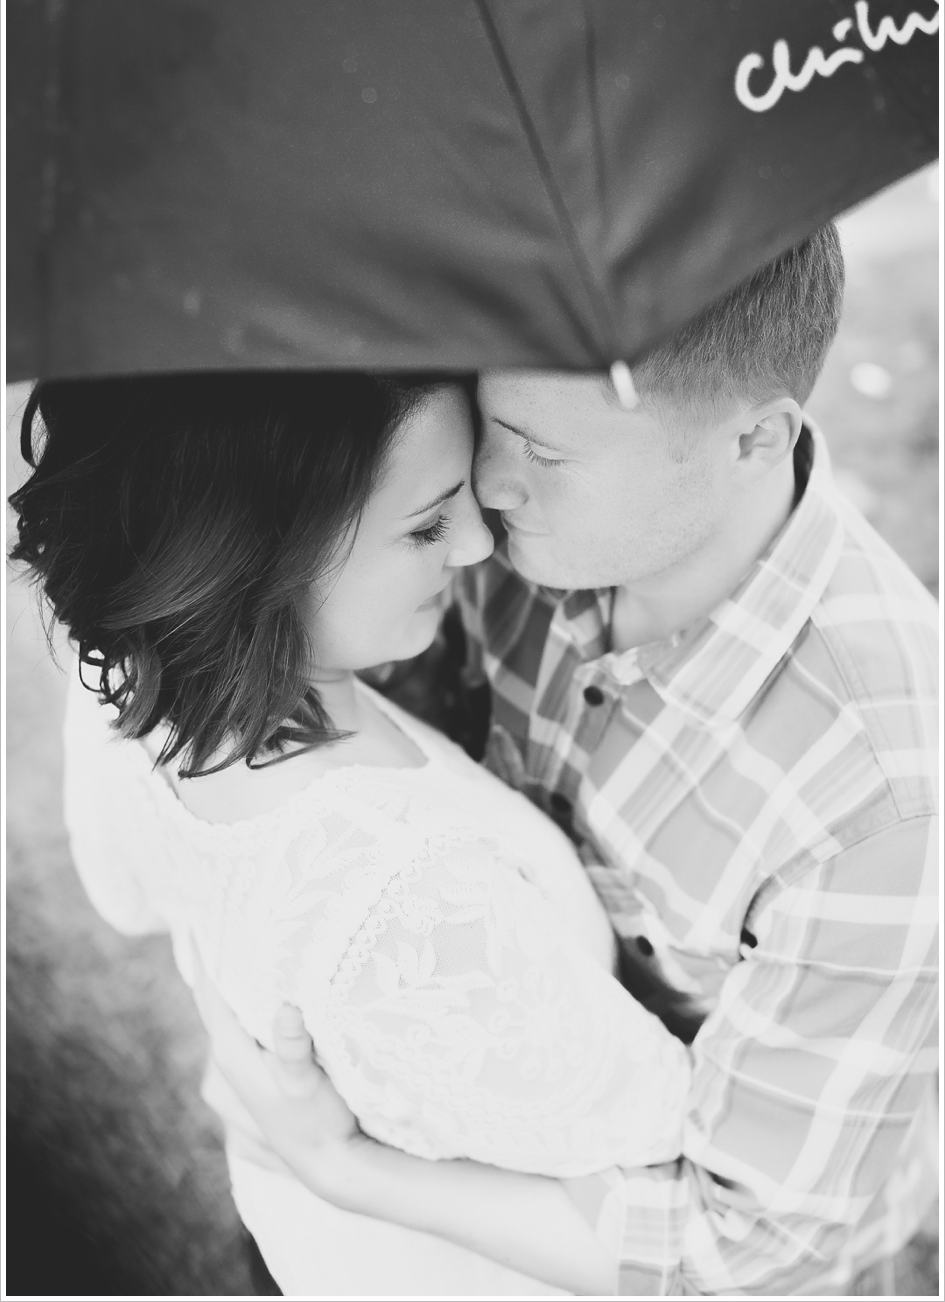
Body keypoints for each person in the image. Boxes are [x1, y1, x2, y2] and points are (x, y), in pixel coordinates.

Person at [193, 223, 939, 1297]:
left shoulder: (881, 801)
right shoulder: (512, 525)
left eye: (543, 453)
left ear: (753, 440)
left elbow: (751, 1248)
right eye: (490, 418)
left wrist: (345, 1164)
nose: (486, 487)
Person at [9, 370, 693, 1297]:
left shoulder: (135, 681)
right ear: (255, 553)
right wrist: (341, 1163)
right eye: (424, 524)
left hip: (303, 1239)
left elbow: (124, 894)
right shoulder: (403, 894)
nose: (478, 542)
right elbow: (690, 1233)